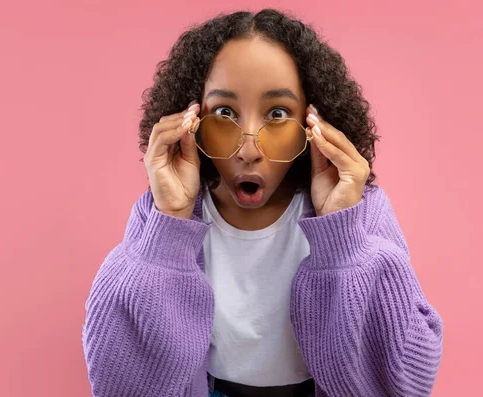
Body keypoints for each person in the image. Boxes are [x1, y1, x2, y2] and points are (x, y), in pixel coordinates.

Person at [82, 8, 443, 397]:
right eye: (224, 113)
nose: (250, 148)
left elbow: (406, 382)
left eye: (276, 113)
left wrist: (343, 239)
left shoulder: (362, 213)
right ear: (191, 119)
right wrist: (169, 224)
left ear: (313, 122)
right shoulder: (160, 218)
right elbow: (116, 379)